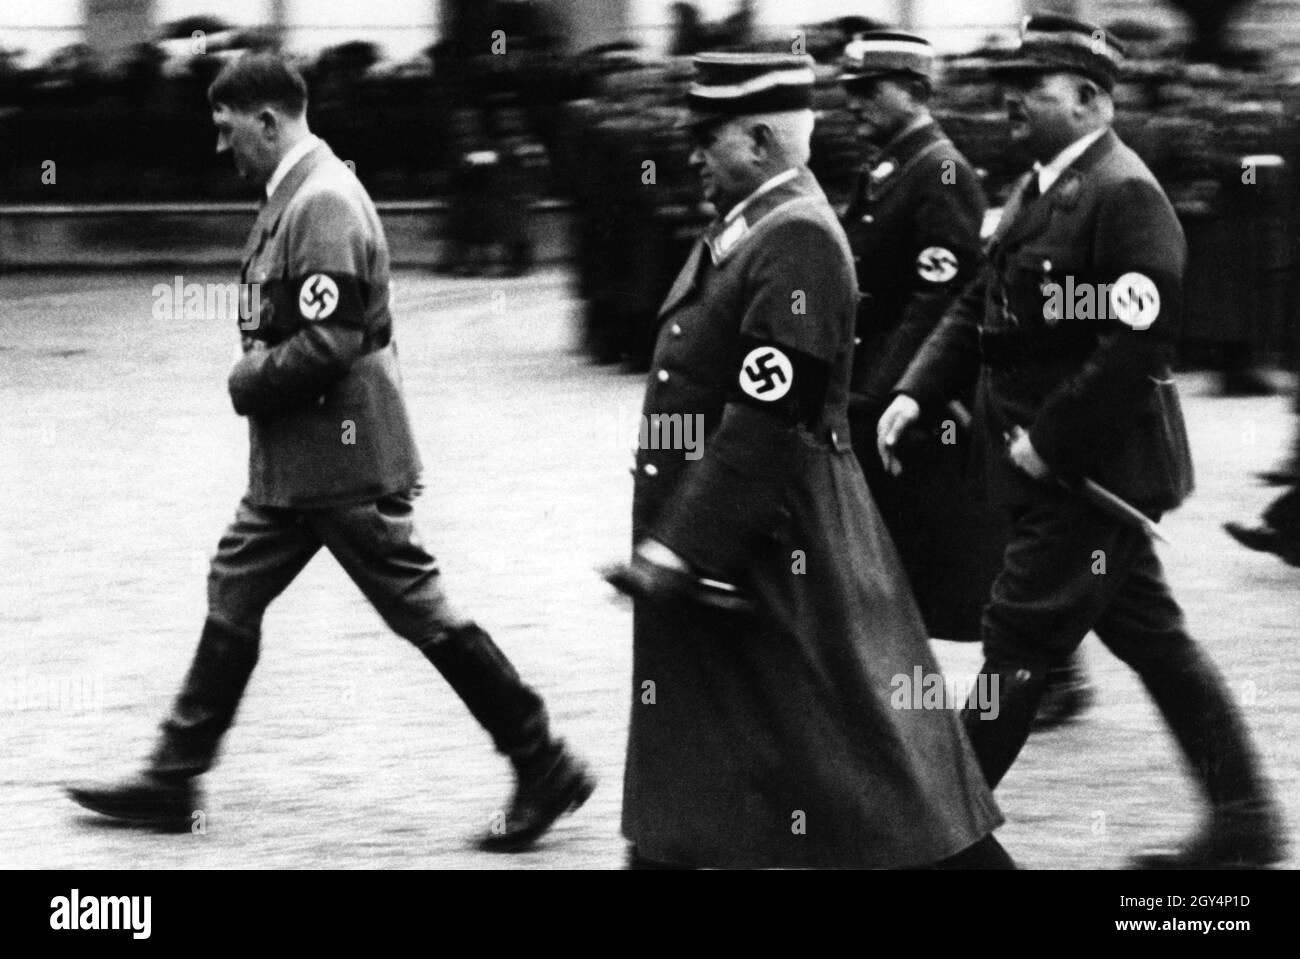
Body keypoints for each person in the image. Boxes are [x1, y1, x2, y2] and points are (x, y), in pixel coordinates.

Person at [65, 53, 594, 850]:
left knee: (416, 603)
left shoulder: (322, 202)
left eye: (227, 128)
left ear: (268, 121)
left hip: (341, 455)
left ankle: (541, 756)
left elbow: (333, 338)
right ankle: (173, 776)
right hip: (299, 461)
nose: (221, 147)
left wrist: (249, 380)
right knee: (234, 585)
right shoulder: (297, 196)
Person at [877, 14, 1284, 868]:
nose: (1010, 97)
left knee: (1018, 641)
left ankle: (935, 839)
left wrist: (1052, 445)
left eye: (1032, 84)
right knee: (1151, 636)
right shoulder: (1039, 185)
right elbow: (974, 304)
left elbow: (1136, 345)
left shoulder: (1122, 191)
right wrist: (917, 392)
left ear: (1092, 99)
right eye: (1008, 82)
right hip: (1058, 471)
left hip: (1090, 474)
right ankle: (1245, 818)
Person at [608, 52, 1009, 870]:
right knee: (724, 777)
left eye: (703, 135)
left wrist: (683, 547)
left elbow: (766, 416)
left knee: (874, 769)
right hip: (739, 546)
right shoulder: (755, 223)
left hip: (776, 546)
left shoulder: (793, 236)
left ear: (757, 140)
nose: (689, 153)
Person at [838, 29, 1093, 725]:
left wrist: (893, 389)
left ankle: (1053, 669)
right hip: (886, 387)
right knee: (934, 539)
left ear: (916, 91)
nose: (855, 103)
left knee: (970, 537)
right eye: (850, 91)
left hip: (919, 392)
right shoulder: (890, 166)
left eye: (870, 90)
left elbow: (941, 295)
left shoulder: (939, 169)